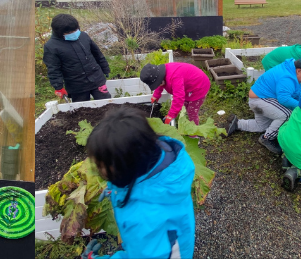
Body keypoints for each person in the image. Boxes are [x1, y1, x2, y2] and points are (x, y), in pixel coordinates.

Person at [81, 108, 195, 259]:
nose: (98, 169)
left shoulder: (141, 218)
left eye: (102, 165)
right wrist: (115, 191)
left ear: (125, 167)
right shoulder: (163, 167)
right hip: (176, 242)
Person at [227, 58, 301, 155]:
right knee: (286, 115)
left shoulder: (290, 68)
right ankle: (267, 138)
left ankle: (237, 124)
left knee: (262, 126)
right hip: (260, 100)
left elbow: (294, 93)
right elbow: (284, 99)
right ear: (299, 71)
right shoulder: (287, 78)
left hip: (260, 99)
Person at [43, 14, 111, 102]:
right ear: (59, 32)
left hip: (97, 79)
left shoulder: (83, 36)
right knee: (82, 110)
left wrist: (105, 68)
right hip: (77, 85)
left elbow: (97, 54)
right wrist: (58, 87)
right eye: (69, 32)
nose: (73, 33)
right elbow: (53, 69)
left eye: (75, 30)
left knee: (106, 103)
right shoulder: (51, 46)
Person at [140, 62, 211, 125]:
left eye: (158, 83)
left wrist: (171, 115)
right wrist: (156, 95)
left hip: (199, 86)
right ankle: (190, 123)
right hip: (189, 84)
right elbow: (160, 84)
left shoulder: (175, 77)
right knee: (187, 105)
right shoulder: (161, 73)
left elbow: (179, 98)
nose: (158, 85)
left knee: (192, 112)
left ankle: (194, 134)